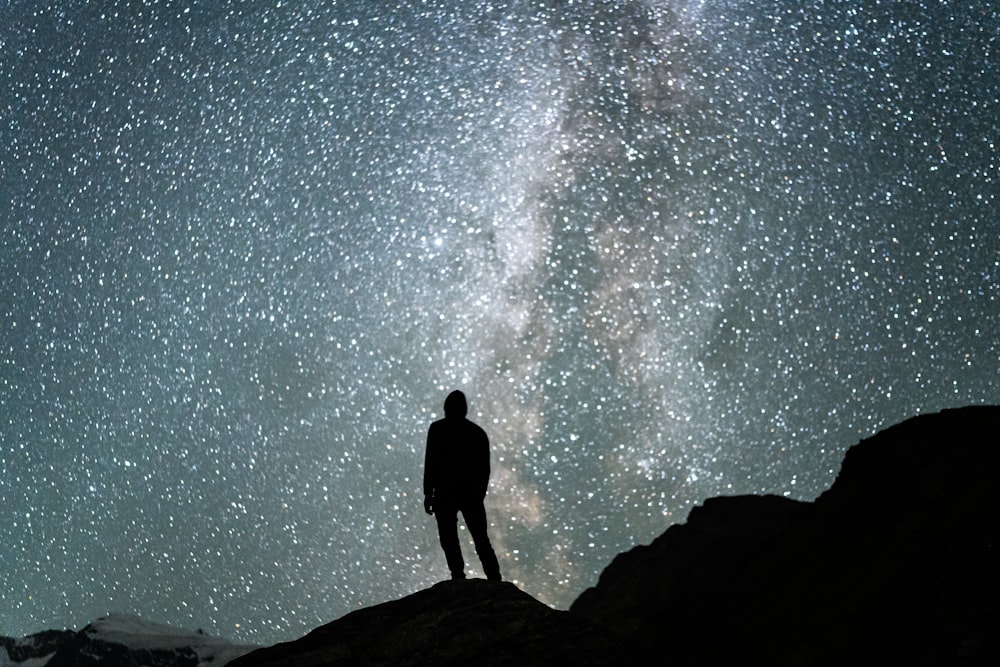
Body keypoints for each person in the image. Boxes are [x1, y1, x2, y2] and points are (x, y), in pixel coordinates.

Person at [423, 390, 502, 581]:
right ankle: (493, 578)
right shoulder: (477, 433)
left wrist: (428, 493)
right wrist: (478, 494)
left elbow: (431, 463)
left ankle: (459, 576)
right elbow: (484, 469)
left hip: (450, 493)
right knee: (479, 539)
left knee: (451, 538)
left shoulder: (437, 429)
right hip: (468, 494)